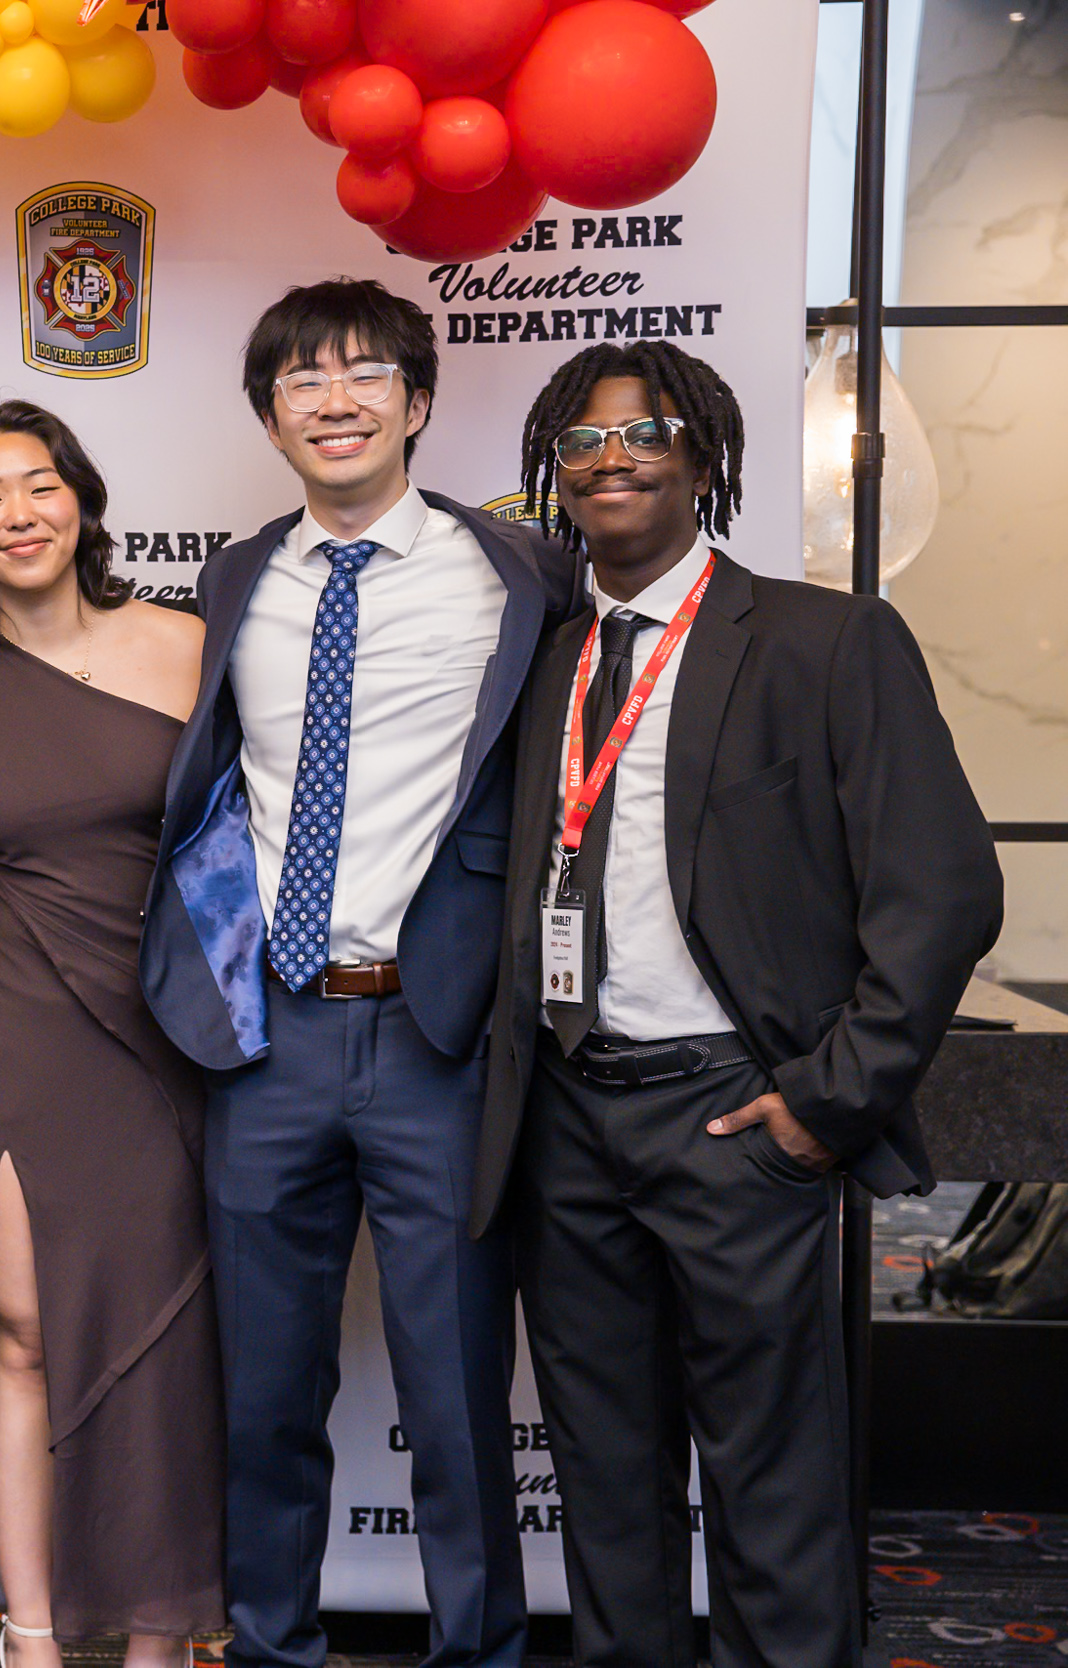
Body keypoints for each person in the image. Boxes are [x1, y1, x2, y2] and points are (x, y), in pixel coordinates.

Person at [473, 341, 1003, 1668]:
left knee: (772, 1482)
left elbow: (941, 889)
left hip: (737, 1118)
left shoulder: (826, 641)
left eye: (646, 431)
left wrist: (829, 1101)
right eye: (583, 440)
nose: (611, 457)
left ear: (703, 456)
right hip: (566, 1124)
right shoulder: (541, 657)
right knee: (604, 1480)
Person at [139, 278, 583, 1668]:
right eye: (302, 381)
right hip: (267, 1036)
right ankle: (269, 1643)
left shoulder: (519, 574)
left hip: (437, 1037)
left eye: (365, 374)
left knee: (455, 1390)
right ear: (271, 419)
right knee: (264, 1389)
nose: (335, 401)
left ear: (418, 402)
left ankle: (480, 1650)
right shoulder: (236, 580)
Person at [0, 401, 220, 1665]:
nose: (18, 515)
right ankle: (31, 1636)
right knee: (25, 1328)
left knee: (161, 1331)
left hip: (167, 1029)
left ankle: (158, 1637)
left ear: (82, 500)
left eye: (38, 485)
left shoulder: (187, 643)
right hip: (23, 1024)